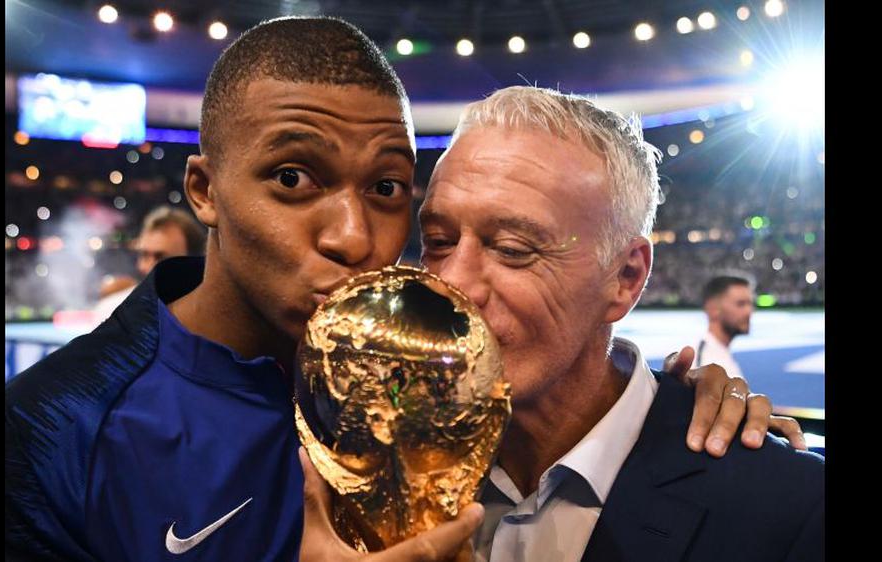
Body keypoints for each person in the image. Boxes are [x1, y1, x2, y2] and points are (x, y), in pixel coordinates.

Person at [6, 18, 805, 562]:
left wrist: (691, 407)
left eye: (389, 190)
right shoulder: (56, 433)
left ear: (628, 277)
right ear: (204, 191)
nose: (354, 237)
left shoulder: (416, 387)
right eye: (293, 178)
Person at [301, 86, 822, 562]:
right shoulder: (367, 460)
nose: (451, 284)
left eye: (511, 249)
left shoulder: (793, 510)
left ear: (625, 277)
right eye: (438, 242)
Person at [93, 205, 206, 324]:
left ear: (192, 262)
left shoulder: (212, 317)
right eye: (144, 255)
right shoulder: (112, 311)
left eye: (161, 257)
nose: (146, 267)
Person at [693, 275, 755, 378]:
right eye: (741, 304)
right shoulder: (705, 362)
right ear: (713, 309)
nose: (749, 312)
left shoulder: (718, 354)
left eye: (750, 304)